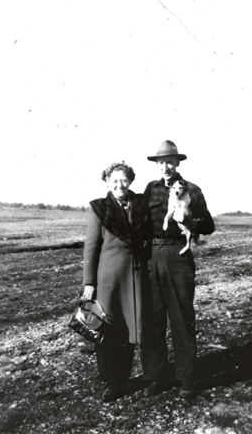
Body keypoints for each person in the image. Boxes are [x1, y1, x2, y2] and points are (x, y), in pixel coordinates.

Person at [141, 140, 215, 398]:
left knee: (182, 318)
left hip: (178, 256)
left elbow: (208, 227)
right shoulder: (150, 189)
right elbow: (139, 221)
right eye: (161, 162)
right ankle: (157, 376)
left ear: (178, 163)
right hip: (152, 255)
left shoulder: (192, 190)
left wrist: (191, 218)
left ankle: (186, 379)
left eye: (170, 161)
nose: (165, 166)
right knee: (153, 319)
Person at [81, 161, 152, 402]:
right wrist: (89, 283)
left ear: (130, 181)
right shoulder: (99, 208)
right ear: (107, 183)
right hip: (108, 281)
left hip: (136, 277)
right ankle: (114, 382)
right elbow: (91, 247)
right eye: (114, 181)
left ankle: (127, 377)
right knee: (109, 330)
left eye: (123, 180)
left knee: (132, 329)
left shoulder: (141, 204)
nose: (119, 184)